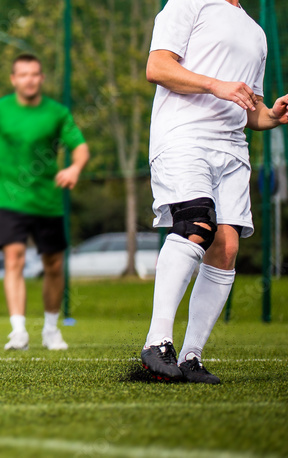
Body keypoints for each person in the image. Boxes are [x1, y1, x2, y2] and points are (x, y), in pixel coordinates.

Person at [140, 0, 287, 384]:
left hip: (233, 149)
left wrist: (272, 115)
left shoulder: (256, 32)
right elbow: (157, 67)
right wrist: (214, 84)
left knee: (226, 248)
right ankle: (157, 343)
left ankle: (190, 357)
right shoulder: (188, 2)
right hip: (184, 136)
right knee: (196, 224)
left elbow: (249, 106)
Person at [0, 54, 90, 352]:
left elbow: (80, 148)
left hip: (48, 202)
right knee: (13, 259)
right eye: (23, 74)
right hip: (10, 200)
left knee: (53, 266)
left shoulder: (56, 113)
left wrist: (74, 168)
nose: (29, 79)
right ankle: (18, 332)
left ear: (42, 78)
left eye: (35, 74)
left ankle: (51, 330)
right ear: (13, 79)